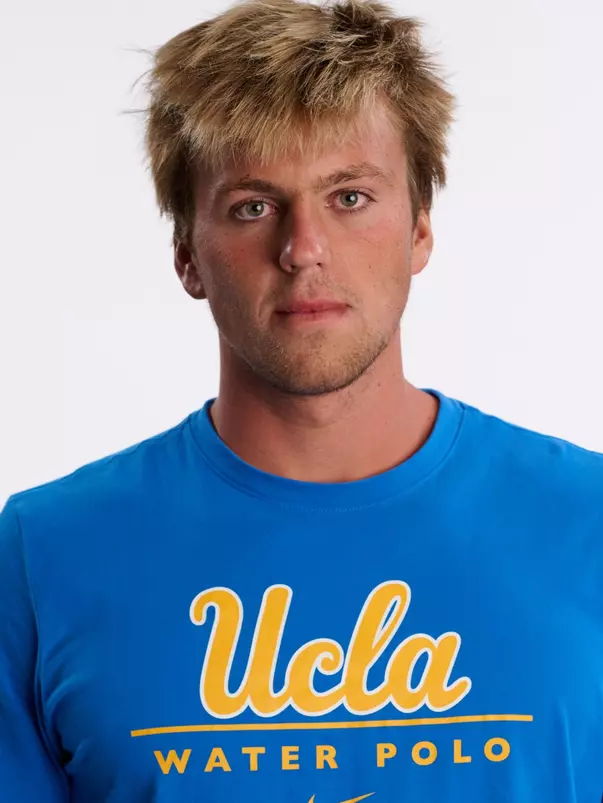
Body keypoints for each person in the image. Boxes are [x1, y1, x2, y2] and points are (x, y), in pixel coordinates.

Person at [1, 0, 602, 800]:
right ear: (186, 255)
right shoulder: (44, 553)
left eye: (349, 196)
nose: (303, 249)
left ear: (419, 227)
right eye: (253, 206)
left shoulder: (585, 522)